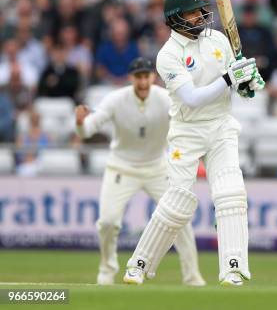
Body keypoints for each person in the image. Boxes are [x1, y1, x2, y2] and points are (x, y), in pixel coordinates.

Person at [123, 0, 264, 286]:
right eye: (193, 12)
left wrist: (245, 84)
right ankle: (138, 265)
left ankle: (233, 268)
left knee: (231, 194)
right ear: (176, 19)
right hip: (187, 131)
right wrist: (230, 78)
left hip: (221, 126)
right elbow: (192, 99)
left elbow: (235, 86)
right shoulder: (168, 55)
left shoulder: (219, 40)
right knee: (178, 202)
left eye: (202, 10)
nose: (201, 15)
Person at [75, 57, 205, 286]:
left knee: (180, 220)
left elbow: (189, 122)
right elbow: (87, 131)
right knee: (107, 222)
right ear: (131, 78)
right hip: (121, 167)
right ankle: (107, 271)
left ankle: (192, 276)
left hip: (158, 167)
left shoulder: (166, 99)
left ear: (153, 77)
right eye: (138, 77)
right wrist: (79, 123)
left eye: (146, 76)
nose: (143, 82)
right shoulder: (116, 100)